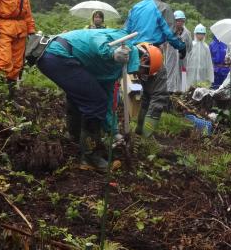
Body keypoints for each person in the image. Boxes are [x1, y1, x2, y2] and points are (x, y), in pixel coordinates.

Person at [36, 28, 158, 171]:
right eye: (143, 71)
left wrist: (114, 131)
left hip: (56, 58)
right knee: (94, 102)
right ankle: (90, 157)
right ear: (144, 60)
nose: (139, 74)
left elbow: (107, 99)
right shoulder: (125, 42)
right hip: (58, 54)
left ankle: (76, 141)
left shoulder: (116, 68)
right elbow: (97, 39)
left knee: (85, 98)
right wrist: (112, 53)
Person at [123, 0, 186, 135]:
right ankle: (147, 136)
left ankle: (139, 131)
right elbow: (170, 34)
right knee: (159, 96)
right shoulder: (164, 8)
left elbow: (125, 32)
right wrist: (181, 46)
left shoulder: (136, 7)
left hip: (135, 54)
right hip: (152, 54)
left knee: (147, 95)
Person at [164, 10, 191, 94]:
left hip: (182, 60)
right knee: (169, 74)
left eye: (182, 21)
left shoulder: (186, 33)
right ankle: (169, 92)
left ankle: (182, 94)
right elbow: (163, 44)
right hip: (170, 58)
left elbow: (190, 47)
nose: (180, 23)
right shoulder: (169, 32)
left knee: (182, 76)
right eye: (178, 20)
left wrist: (184, 51)